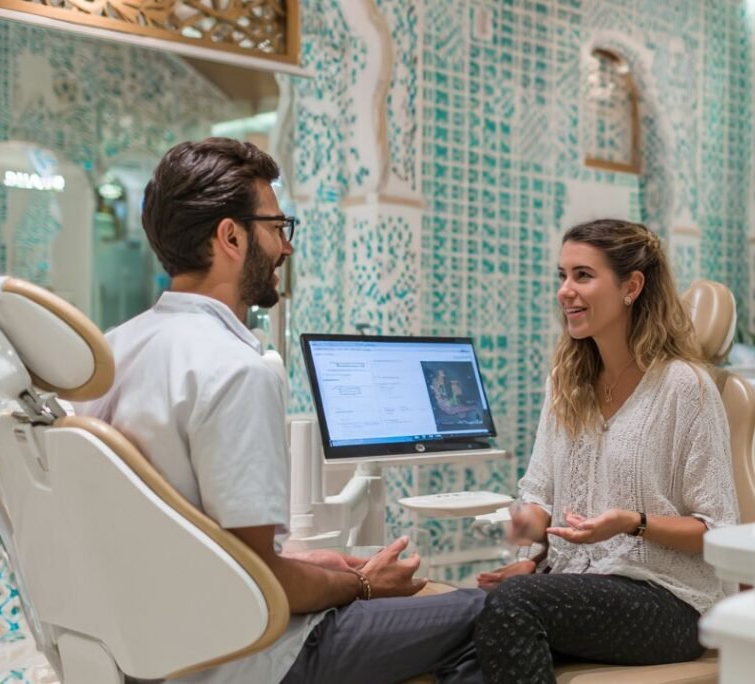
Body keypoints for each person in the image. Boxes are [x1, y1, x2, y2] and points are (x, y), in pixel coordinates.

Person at [75, 138, 484, 684]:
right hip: (246, 658)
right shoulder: (236, 368)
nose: (285, 247)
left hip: (150, 652)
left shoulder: (111, 352)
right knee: (494, 611)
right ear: (231, 236)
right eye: (276, 227)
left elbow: (199, 547)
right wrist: (363, 584)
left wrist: (308, 565)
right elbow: (263, 585)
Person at [472, 219, 738, 683]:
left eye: (583, 275)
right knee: (462, 621)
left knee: (515, 605)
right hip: (581, 581)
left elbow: (717, 530)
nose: (565, 291)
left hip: (671, 600)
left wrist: (632, 522)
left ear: (631, 286)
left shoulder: (685, 387)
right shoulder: (566, 383)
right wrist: (526, 531)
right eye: (562, 276)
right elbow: (541, 497)